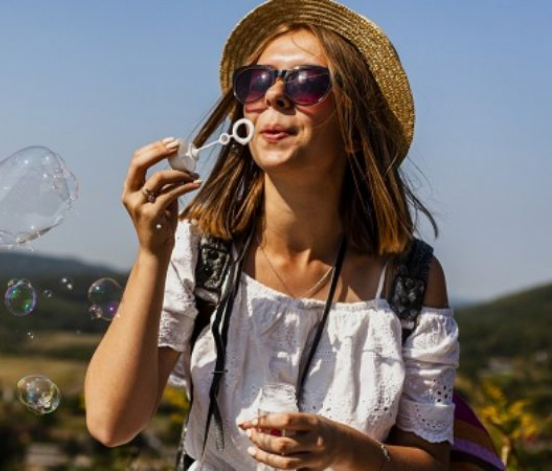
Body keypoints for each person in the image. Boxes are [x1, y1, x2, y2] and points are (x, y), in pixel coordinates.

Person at [84, 1, 459, 470]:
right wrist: (152, 254)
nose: (275, 96)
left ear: (355, 131)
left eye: (307, 83)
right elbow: (111, 423)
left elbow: (432, 462)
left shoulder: (410, 281)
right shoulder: (201, 251)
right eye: (257, 81)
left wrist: (349, 452)